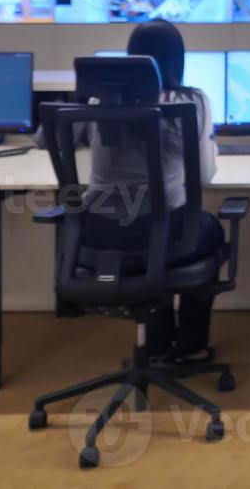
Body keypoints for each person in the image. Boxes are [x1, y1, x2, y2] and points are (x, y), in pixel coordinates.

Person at [69, 20, 224, 362]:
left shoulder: (97, 101)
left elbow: (46, 138)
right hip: (162, 234)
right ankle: (190, 346)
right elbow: (204, 178)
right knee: (206, 229)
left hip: (98, 235)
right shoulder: (190, 101)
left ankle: (156, 342)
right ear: (177, 60)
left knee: (161, 233)